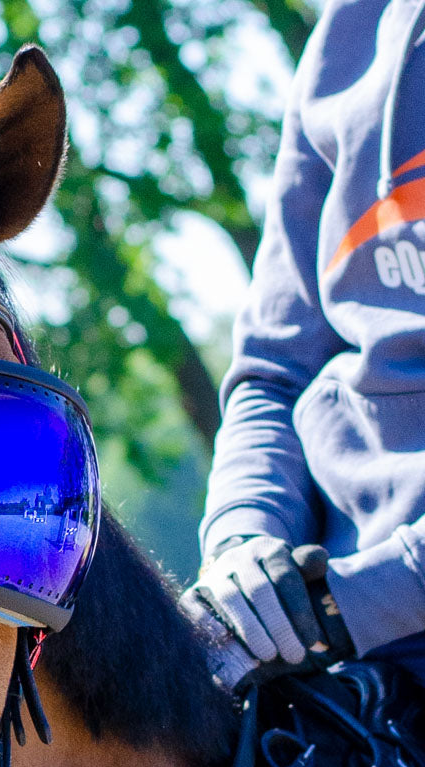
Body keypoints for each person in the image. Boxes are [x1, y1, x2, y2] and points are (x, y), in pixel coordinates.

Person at [182, 0, 425, 692]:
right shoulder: (347, 34)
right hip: (326, 637)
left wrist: (362, 599)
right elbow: (273, 372)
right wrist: (243, 543)